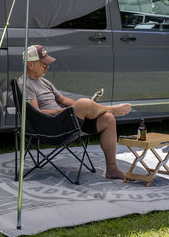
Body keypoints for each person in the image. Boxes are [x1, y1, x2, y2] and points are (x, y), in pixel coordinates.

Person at [18, 45, 131, 180]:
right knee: (86, 104)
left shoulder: (44, 81)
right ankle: (111, 109)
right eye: (43, 64)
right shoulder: (25, 84)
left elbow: (63, 100)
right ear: (30, 65)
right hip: (51, 127)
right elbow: (36, 113)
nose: (47, 67)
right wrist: (68, 110)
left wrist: (84, 106)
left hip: (65, 120)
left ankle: (112, 169)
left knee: (108, 119)